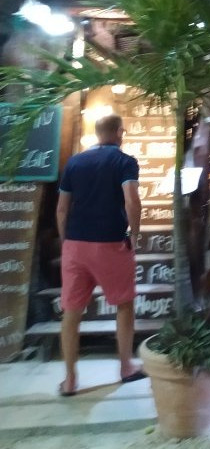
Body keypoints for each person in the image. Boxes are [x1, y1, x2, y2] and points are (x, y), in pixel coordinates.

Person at [55, 114, 143, 396]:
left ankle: (70, 380)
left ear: (97, 134)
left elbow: (62, 209)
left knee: (71, 311)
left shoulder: (74, 162)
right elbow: (132, 201)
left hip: (75, 245)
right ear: (119, 132)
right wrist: (134, 234)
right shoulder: (125, 162)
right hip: (111, 244)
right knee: (124, 305)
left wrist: (66, 241)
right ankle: (126, 367)